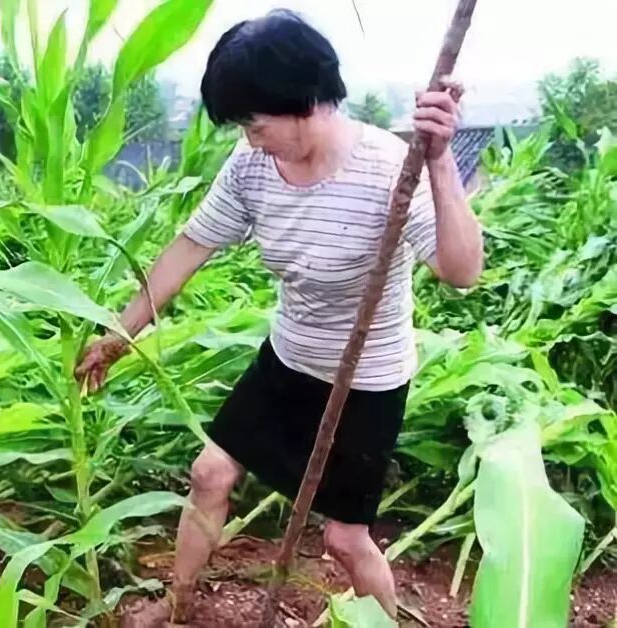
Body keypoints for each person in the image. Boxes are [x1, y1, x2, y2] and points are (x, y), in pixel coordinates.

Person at [74, 9, 483, 626]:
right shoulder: (253, 167)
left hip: (365, 383)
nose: (249, 139)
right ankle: (175, 606)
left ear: (306, 103)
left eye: (255, 123)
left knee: (345, 540)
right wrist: (120, 334)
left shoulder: (388, 169)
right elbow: (189, 248)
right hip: (289, 360)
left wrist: (440, 162)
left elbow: (461, 271)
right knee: (210, 473)